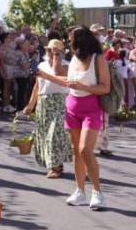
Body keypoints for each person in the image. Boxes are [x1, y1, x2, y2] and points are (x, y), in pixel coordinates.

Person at [40, 27, 110, 210]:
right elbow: (68, 82)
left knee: (85, 149)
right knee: (76, 152)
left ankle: (97, 192)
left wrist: (81, 86)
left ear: (80, 40)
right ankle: (80, 191)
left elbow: (105, 88)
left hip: (91, 109)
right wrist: (44, 75)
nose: (68, 42)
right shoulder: (73, 60)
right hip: (72, 107)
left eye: (71, 39)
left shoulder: (98, 58)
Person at [22, 39, 72, 179]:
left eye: (56, 50)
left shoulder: (67, 65)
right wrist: (30, 105)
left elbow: (60, 76)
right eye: (50, 50)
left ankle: (55, 167)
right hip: (44, 103)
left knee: (54, 134)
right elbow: (37, 86)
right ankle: (55, 164)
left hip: (61, 102)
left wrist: (57, 59)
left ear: (62, 52)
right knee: (45, 135)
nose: (52, 53)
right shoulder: (42, 65)